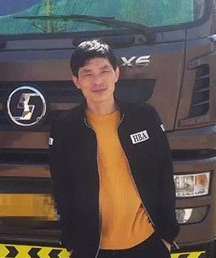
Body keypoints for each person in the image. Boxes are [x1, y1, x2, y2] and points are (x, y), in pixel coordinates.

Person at [49, 39, 179, 258]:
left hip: (148, 243)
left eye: (104, 71)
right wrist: (71, 242)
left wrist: (167, 235)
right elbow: (62, 188)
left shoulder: (144, 117)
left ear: (116, 74)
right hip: (92, 249)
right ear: (76, 81)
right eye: (87, 74)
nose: (97, 80)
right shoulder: (65, 128)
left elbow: (165, 174)